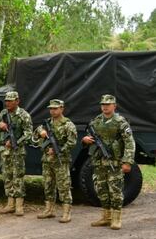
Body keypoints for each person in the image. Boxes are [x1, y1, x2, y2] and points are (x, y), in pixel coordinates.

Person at [81, 94, 135, 230]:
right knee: (101, 189)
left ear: (114, 106)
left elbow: (129, 142)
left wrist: (127, 161)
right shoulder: (96, 121)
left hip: (115, 162)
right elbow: (88, 136)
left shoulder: (120, 122)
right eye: (103, 105)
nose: (105, 107)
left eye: (108, 105)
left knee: (115, 190)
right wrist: (85, 140)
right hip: (99, 162)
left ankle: (116, 219)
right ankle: (106, 217)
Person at [0, 91, 33, 216]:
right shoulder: (3, 113)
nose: (7, 103)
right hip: (5, 151)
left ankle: (19, 206)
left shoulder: (23, 115)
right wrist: (0, 125)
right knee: (7, 176)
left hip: (18, 151)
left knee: (18, 177)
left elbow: (29, 133)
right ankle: (10, 204)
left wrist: (17, 142)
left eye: (10, 101)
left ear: (17, 101)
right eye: (6, 101)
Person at [33, 99, 77, 223]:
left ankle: (66, 212)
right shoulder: (46, 123)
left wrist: (60, 150)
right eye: (51, 109)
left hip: (61, 160)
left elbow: (72, 143)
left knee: (64, 185)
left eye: (55, 108)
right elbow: (35, 136)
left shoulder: (68, 125)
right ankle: (49, 210)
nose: (52, 111)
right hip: (47, 160)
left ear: (62, 109)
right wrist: (40, 132)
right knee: (48, 184)